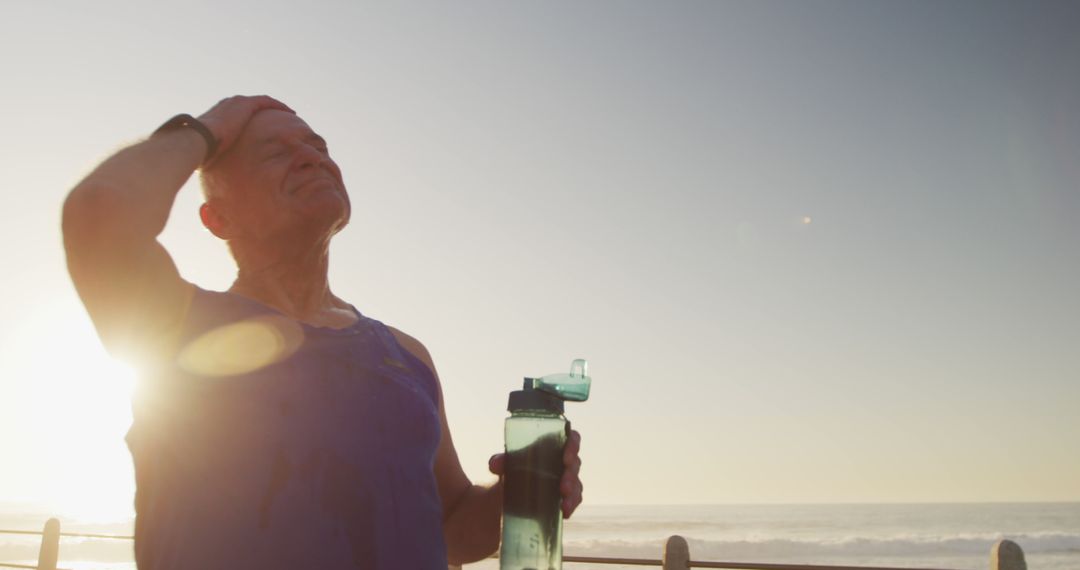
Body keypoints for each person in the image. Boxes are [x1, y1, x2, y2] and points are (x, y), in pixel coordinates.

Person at [61, 95, 583, 569]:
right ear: (217, 217)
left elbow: (454, 532)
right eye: (274, 153)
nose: (312, 157)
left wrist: (517, 490)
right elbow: (101, 210)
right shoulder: (174, 327)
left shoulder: (406, 355)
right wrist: (211, 125)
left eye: (317, 146)